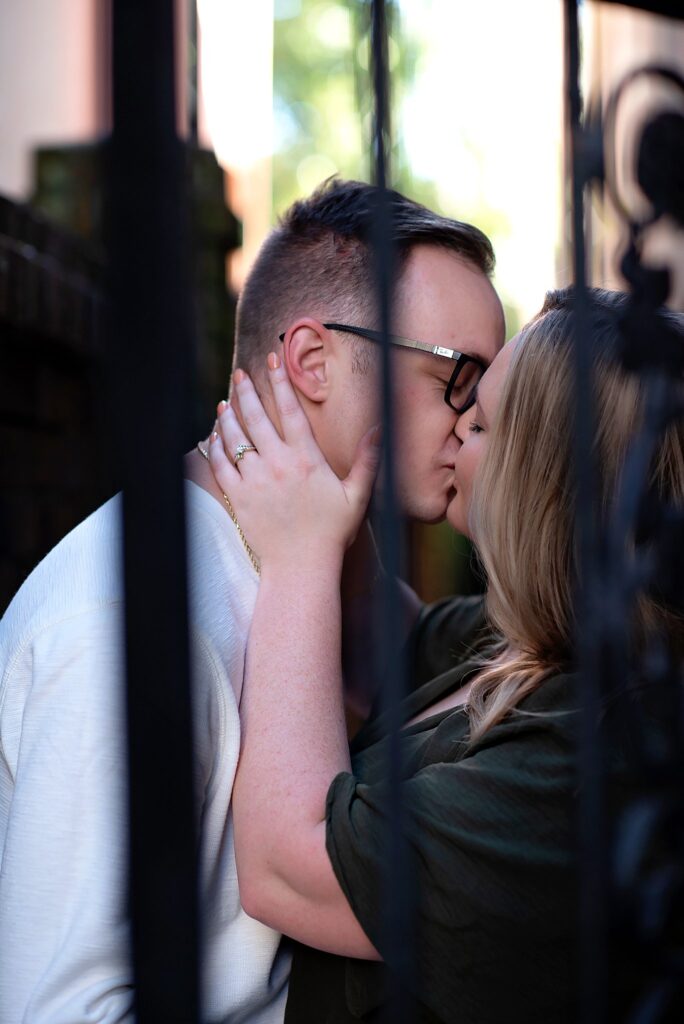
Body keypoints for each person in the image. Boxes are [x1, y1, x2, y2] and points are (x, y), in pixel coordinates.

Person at [0, 178, 503, 1022]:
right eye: (459, 375)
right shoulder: (126, 625)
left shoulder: (328, 576)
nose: (479, 413)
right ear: (312, 362)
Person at [207, 286, 684, 1023]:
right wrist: (342, 441)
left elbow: (287, 870)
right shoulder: (539, 642)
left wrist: (300, 552)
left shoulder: (596, 745)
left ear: (546, 480)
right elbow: (370, 640)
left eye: (482, 422)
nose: (456, 428)